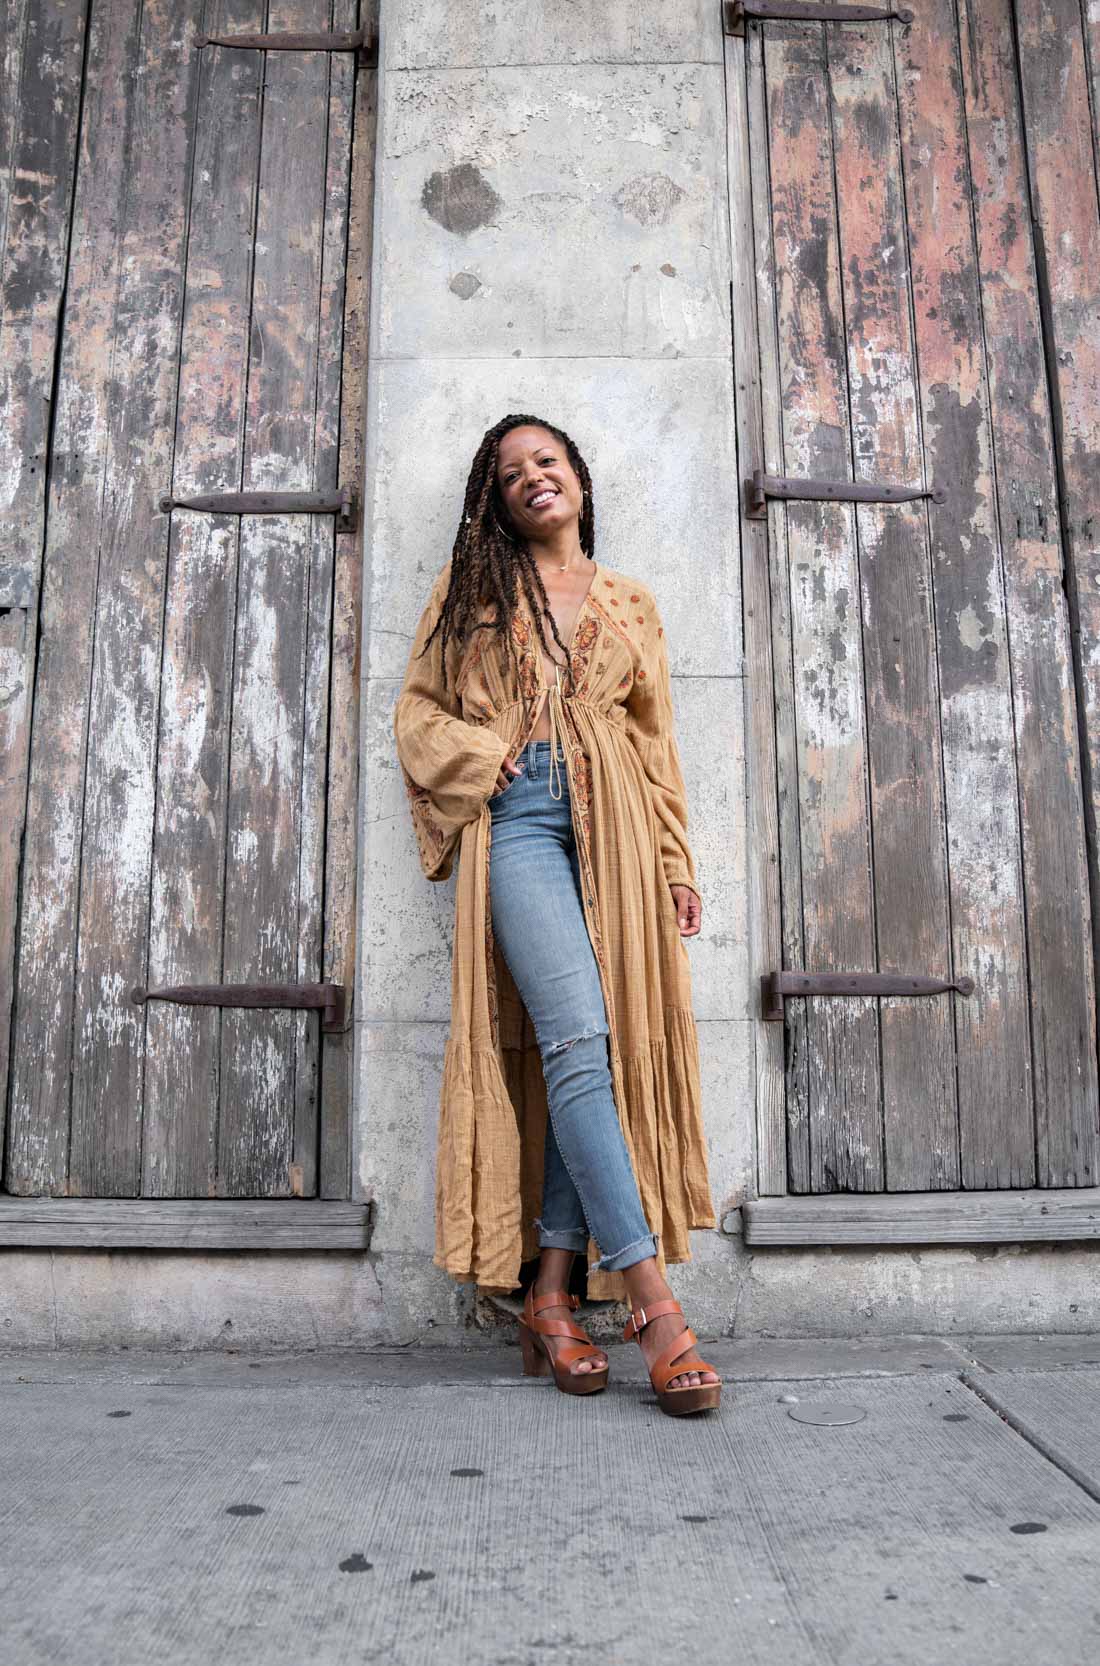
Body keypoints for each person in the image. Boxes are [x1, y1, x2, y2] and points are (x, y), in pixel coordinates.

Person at [393, 413, 721, 1416]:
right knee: (575, 1041)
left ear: (577, 476)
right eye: (509, 472)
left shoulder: (630, 601)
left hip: (617, 825)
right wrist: (482, 759)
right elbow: (417, 711)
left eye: (547, 461)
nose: (532, 477)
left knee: (605, 1049)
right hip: (522, 820)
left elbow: (653, 743)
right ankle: (654, 1308)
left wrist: (672, 859)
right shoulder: (471, 593)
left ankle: (548, 1295)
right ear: (494, 502)